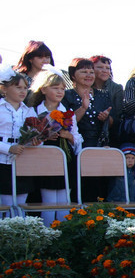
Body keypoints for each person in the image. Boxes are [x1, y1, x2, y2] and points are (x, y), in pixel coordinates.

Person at [30, 68, 83, 225]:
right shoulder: (33, 111)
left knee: (64, 201)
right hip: (45, 161)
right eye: (55, 88)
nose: (60, 92)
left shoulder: (68, 113)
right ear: (44, 89)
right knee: (48, 202)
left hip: (65, 159)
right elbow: (28, 137)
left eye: (62, 89)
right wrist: (42, 136)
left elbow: (78, 138)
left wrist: (69, 137)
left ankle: (62, 234)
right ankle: (47, 234)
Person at [0, 67, 37, 208]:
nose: (23, 91)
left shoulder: (28, 111)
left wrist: (36, 141)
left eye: (25, 88)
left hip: (23, 160)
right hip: (3, 161)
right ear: (4, 89)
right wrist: (8, 148)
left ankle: (21, 227)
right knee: (6, 202)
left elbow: (33, 134)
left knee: (22, 202)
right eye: (18, 87)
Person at [91, 55, 124, 147]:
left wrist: (108, 119)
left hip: (109, 134)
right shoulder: (86, 86)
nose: (105, 70)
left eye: (107, 68)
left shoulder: (116, 88)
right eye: (100, 67)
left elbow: (119, 115)